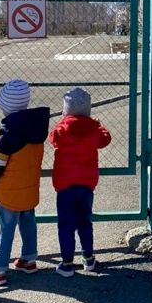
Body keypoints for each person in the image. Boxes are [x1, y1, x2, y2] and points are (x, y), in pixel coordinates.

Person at [0, 79, 50, 286]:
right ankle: (28, 260)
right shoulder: (37, 128)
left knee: (7, 229)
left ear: (5, 107)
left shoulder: (8, 134)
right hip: (30, 188)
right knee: (28, 223)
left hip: (10, 190)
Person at [49, 87, 111, 277]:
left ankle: (67, 263)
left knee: (65, 224)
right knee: (85, 222)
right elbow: (105, 139)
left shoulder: (62, 129)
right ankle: (88, 258)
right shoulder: (93, 129)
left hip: (65, 185)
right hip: (86, 184)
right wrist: (99, 125)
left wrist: (63, 120)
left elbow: (53, 139)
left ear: (66, 109)